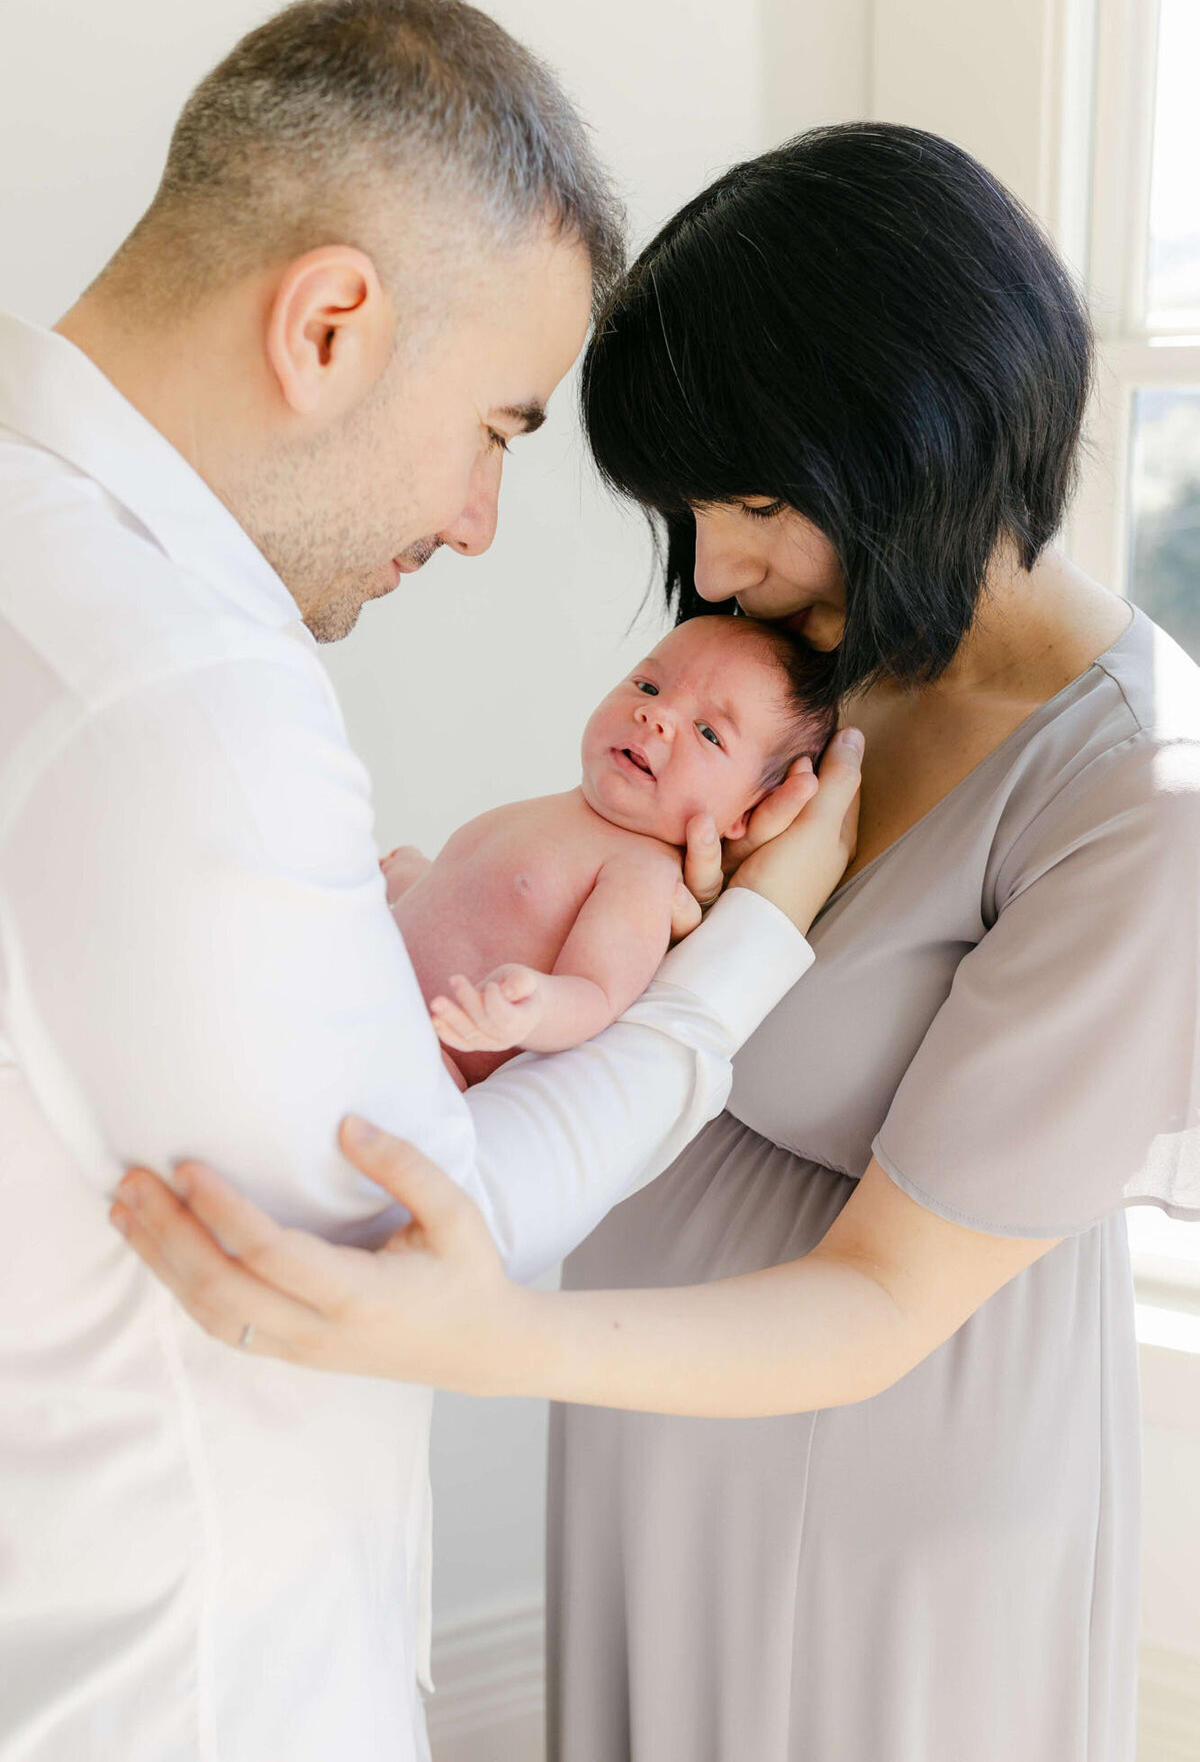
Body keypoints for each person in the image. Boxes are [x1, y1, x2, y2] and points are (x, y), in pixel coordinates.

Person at [114, 125, 1200, 1762]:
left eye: (753, 503)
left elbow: (886, 1298)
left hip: (888, 1513)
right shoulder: (809, 662)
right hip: (660, 1447)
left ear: (923, 444)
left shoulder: (1141, 801)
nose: (709, 566)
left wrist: (488, 1332)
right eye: (691, 507)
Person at [0, 0, 863, 1762]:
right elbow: (429, 1232)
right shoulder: (191, 704)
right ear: (330, 324)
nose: (477, 524)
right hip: (187, 1693)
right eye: (497, 429)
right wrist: (753, 944)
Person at [391, 614, 836, 1085]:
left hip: (426, 1059)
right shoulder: (565, 810)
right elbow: (477, 901)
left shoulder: (642, 871)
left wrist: (534, 1008)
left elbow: (595, 991)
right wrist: (416, 878)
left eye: (708, 732)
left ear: (745, 814)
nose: (657, 715)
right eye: (647, 686)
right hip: (360, 988)